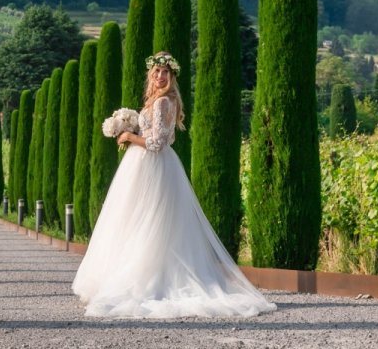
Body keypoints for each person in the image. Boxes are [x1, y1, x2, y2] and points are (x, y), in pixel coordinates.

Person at [72, 51, 277, 318]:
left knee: (149, 223)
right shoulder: (156, 101)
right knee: (137, 222)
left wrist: (128, 137)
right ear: (151, 74)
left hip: (153, 168)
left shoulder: (163, 103)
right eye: (156, 71)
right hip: (144, 166)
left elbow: (157, 143)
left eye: (165, 72)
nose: (160, 76)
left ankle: (148, 281)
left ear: (172, 76)